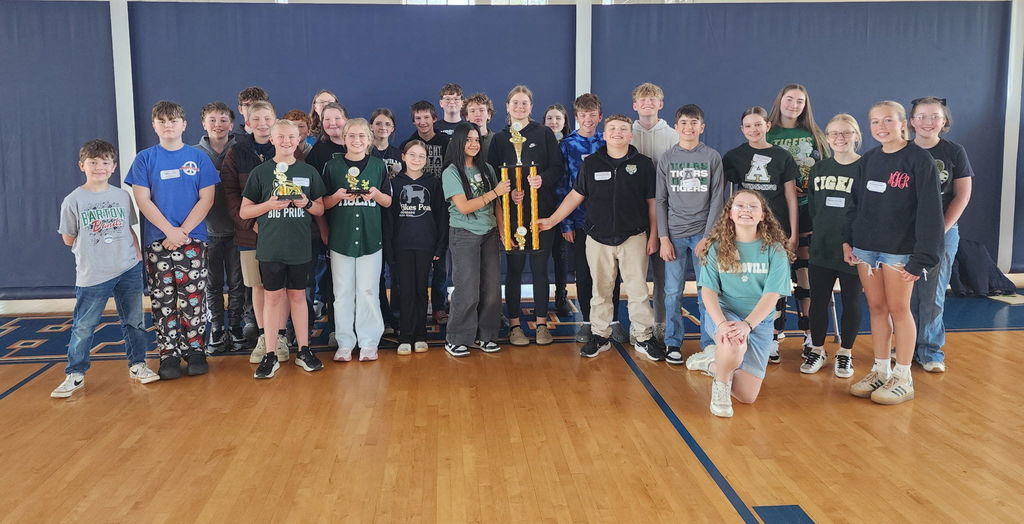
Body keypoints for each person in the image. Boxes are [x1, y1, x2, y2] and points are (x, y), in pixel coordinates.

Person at [536, 115, 666, 360]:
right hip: (597, 238)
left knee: (638, 290)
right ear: (604, 135)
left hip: (634, 237)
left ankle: (643, 337)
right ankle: (600, 335)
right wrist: (552, 220)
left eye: (623, 129)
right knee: (601, 290)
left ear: (631, 135)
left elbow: (652, 203)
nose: (617, 132)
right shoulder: (591, 163)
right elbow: (575, 196)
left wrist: (654, 236)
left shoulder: (644, 164)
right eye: (612, 129)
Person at [843, 101, 943, 405]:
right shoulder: (869, 159)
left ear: (903, 123)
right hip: (866, 249)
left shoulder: (919, 159)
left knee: (899, 309)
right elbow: (855, 203)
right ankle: (881, 369)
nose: (881, 127)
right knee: (876, 308)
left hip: (900, 251)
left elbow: (931, 212)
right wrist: (849, 240)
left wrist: (923, 256)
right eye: (875, 122)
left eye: (888, 120)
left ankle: (903, 376)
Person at [52, 139, 159, 397]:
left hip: (127, 268)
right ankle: (75, 373)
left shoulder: (122, 196)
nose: (99, 167)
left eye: (105, 162)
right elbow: (68, 238)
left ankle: (137, 364)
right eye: (93, 162)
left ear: (113, 167)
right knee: (84, 326)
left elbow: (128, 228)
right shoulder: (73, 200)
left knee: (134, 321)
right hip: (93, 273)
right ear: (82, 166)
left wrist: (136, 254)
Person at [126, 100, 217, 379]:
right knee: (163, 299)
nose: (168, 125)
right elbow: (142, 200)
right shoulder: (145, 159)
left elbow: (207, 198)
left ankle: (195, 350)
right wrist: (169, 231)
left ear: (184, 125)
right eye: (162, 121)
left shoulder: (198, 157)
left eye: (173, 120)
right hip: (158, 240)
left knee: (193, 297)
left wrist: (183, 231)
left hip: (192, 239)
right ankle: (168, 353)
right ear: (154, 126)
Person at [684, 190, 795, 418]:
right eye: (740, 206)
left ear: (763, 215)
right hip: (725, 314)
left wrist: (747, 325)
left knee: (747, 396)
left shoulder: (775, 250)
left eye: (753, 206)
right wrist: (722, 324)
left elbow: (771, 296)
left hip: (758, 322)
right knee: (733, 343)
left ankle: (713, 363)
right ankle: (721, 389)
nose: (746, 210)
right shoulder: (716, 247)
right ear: (730, 214)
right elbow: (708, 292)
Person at [240, 119, 327, 378]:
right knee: (272, 298)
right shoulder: (260, 172)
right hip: (271, 247)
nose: (287, 141)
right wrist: (268, 205)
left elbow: (320, 209)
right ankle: (270, 353)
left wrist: (306, 203)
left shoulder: (308, 171)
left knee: (298, 297)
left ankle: (304, 350)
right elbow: (245, 211)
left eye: (292, 137)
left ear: (299, 139)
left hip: (299, 247)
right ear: (272, 140)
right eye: (281, 137)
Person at [722, 106, 799, 364]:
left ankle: (774, 337)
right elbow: (724, 193)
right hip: (747, 230)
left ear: (767, 126)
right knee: (750, 282)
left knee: (776, 285)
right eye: (748, 126)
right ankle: (747, 331)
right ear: (742, 129)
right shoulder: (734, 156)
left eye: (758, 124)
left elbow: (791, 197)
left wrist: (793, 233)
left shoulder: (782, 156)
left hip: (776, 229)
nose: (753, 129)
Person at [488, 85, 563, 346]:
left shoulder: (544, 134)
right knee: (515, 271)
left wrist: (542, 179)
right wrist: (509, 194)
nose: (520, 107)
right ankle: (515, 326)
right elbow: (492, 175)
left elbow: (558, 168)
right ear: (507, 107)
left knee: (541, 269)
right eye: (515, 103)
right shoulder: (499, 139)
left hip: (542, 213)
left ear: (531, 106)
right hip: (512, 216)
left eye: (524, 103)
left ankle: (541, 324)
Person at [222, 101, 292, 365]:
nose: (263, 124)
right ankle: (265, 337)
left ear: (275, 120)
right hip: (250, 234)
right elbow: (230, 195)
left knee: (281, 286)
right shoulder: (236, 153)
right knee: (259, 286)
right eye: (257, 119)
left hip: (283, 232)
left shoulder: (287, 148)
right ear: (248, 123)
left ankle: (281, 336)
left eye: (267, 118)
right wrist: (250, 223)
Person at [908, 96, 973, 373]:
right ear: (912, 121)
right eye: (922, 116)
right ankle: (907, 347)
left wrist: (940, 230)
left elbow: (962, 196)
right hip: (905, 235)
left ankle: (930, 351)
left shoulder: (954, 151)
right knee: (905, 295)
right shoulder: (901, 151)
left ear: (944, 121)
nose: (928, 122)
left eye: (935, 116)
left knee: (933, 294)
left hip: (942, 234)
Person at [657, 104, 725, 365]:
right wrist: (663, 238)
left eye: (693, 123)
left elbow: (717, 199)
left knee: (706, 291)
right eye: (684, 123)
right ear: (676, 127)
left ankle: (709, 344)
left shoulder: (712, 157)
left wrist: (708, 237)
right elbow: (660, 200)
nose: (688, 127)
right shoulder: (667, 158)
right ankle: (673, 342)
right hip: (674, 235)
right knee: (672, 292)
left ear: (702, 127)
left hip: (703, 235)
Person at [767, 84, 831, 355]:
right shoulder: (767, 132)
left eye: (800, 101)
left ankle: (810, 334)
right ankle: (773, 334)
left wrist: (811, 193)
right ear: (779, 100)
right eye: (789, 99)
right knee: (775, 274)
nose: (794, 105)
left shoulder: (814, 135)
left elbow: (827, 171)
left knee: (805, 274)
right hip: (774, 213)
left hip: (807, 211)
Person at [323, 118, 393, 362]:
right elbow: (322, 204)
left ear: (369, 139)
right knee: (342, 292)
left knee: (368, 291)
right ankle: (345, 342)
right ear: (344, 139)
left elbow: (388, 201)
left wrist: (376, 195)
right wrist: (337, 197)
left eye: (362, 136)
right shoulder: (332, 166)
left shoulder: (378, 165)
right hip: (341, 238)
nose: (357, 140)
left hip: (370, 238)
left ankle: (369, 342)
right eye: (351, 135)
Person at [558, 93, 623, 343]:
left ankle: (613, 320)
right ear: (577, 117)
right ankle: (587, 321)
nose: (588, 119)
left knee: (611, 272)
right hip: (578, 221)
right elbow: (562, 186)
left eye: (592, 114)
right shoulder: (567, 145)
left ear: (600, 116)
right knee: (584, 273)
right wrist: (566, 222)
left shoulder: (607, 142)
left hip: (608, 220)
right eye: (583, 114)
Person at [803, 114, 864, 377]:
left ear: (856, 136)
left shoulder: (865, 167)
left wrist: (856, 243)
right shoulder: (819, 169)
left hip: (853, 250)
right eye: (834, 133)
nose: (840, 138)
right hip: (822, 246)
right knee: (818, 301)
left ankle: (845, 353)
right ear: (827, 138)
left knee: (851, 302)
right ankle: (817, 349)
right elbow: (814, 209)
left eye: (846, 132)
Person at [443, 123, 512, 357]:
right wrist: (495, 192)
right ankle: (457, 338)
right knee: (467, 289)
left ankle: (486, 335)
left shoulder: (487, 168)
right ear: (458, 142)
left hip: (489, 233)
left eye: (476, 140)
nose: (473, 144)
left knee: (491, 289)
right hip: (464, 234)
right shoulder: (451, 172)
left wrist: (502, 232)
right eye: (468, 140)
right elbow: (463, 207)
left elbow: (497, 205)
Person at [389, 140, 449, 355]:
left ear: (427, 160)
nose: (416, 159)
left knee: (421, 291)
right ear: (403, 157)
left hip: (426, 246)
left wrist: (439, 247)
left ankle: (421, 334)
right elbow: (389, 219)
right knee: (404, 291)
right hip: (402, 246)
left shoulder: (433, 183)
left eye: (421, 156)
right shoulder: (394, 183)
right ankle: (405, 336)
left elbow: (442, 216)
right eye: (412, 155)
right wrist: (390, 249)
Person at [195, 101, 244, 353]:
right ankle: (216, 328)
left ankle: (235, 326)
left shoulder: (241, 149)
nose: (218, 125)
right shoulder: (193, 154)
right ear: (203, 124)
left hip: (238, 229)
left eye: (223, 120)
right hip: (207, 231)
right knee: (212, 284)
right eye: (212, 120)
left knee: (238, 283)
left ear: (232, 124)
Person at [631, 83, 677, 342]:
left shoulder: (673, 136)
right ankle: (638, 325)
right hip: (634, 214)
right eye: (643, 100)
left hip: (665, 214)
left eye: (653, 100)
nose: (648, 103)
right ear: (635, 105)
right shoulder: (626, 133)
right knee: (634, 275)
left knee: (662, 275)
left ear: (661, 104)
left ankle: (661, 323)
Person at [305, 102, 348, 346]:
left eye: (337, 118)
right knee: (333, 281)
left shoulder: (359, 144)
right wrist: (323, 228)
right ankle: (335, 329)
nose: (333, 123)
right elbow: (316, 196)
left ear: (346, 118)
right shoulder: (318, 152)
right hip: (331, 224)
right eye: (327, 119)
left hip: (361, 223)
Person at [463, 93, 496, 162]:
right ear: (466, 116)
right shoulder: (459, 140)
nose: (477, 114)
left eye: (481, 110)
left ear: (489, 115)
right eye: (472, 111)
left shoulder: (497, 140)